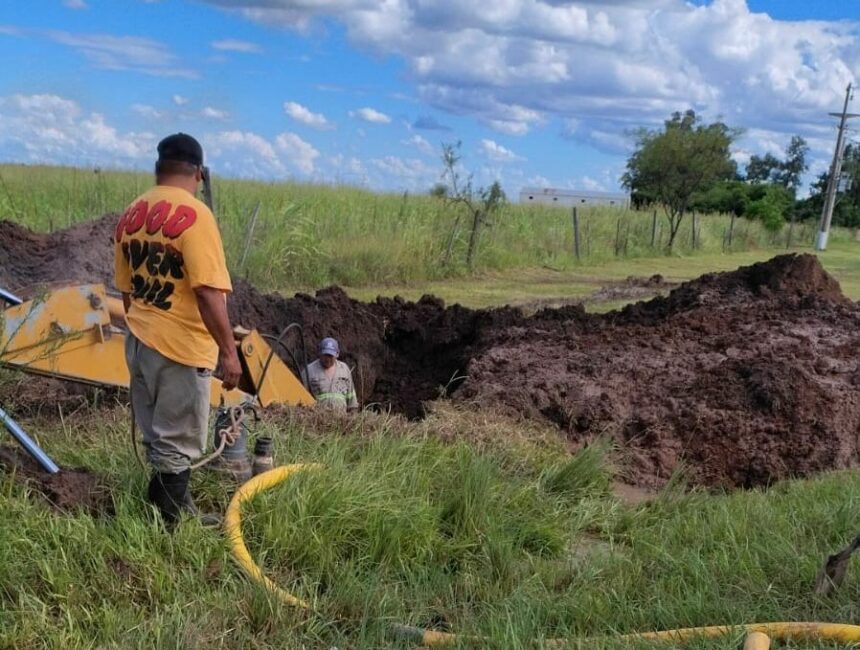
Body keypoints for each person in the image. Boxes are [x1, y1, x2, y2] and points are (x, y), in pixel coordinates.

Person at [114, 132, 241, 527]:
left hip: (139, 339)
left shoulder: (132, 213)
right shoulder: (196, 215)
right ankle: (170, 524)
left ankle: (166, 504)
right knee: (179, 436)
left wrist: (141, 329)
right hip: (180, 346)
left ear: (158, 169)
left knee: (156, 431)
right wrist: (229, 351)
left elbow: (126, 290)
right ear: (199, 174)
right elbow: (206, 293)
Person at [303, 337, 359, 412]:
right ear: (319, 353)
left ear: (337, 354)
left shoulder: (344, 369)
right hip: (317, 420)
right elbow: (301, 400)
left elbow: (351, 400)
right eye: (325, 355)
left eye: (330, 356)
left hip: (342, 420)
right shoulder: (309, 371)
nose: (327, 359)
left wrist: (353, 416)